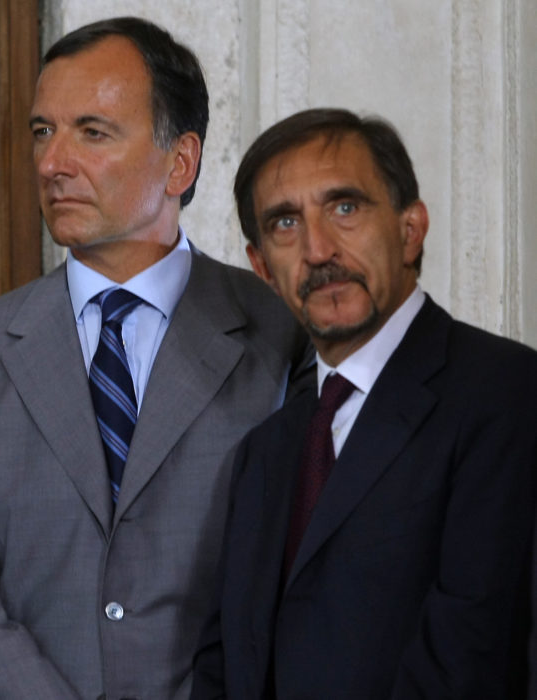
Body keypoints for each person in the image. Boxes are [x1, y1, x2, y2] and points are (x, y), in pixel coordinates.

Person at [0, 16, 310, 699]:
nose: (51, 163)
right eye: (43, 131)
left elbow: (307, 572)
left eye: (91, 132)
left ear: (179, 162)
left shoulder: (281, 334)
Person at [191, 107, 537, 698]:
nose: (318, 248)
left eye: (345, 208)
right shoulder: (263, 453)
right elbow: (224, 663)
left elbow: (472, 654)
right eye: (284, 224)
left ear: (410, 229)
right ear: (262, 270)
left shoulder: (506, 393)